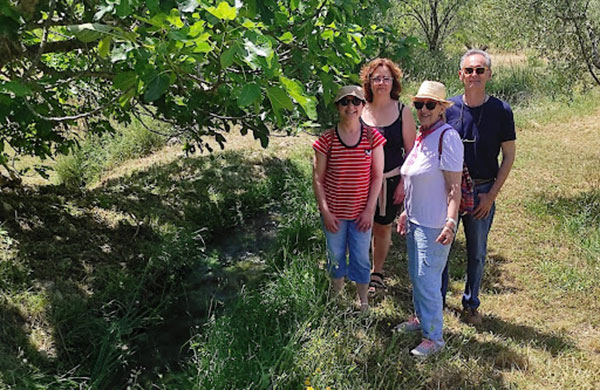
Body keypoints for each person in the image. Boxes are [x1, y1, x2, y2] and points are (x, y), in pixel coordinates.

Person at [441, 49, 517, 324]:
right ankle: (437, 301)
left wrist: (491, 195)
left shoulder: (501, 111)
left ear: (489, 74)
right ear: (460, 74)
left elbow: (508, 155)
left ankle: (471, 305)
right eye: (469, 70)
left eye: (480, 70)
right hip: (448, 191)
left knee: (477, 252)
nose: (474, 75)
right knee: (443, 248)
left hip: (482, 189)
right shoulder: (446, 108)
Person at [394, 81, 463, 357]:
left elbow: (453, 188)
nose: (423, 109)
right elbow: (416, 180)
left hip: (434, 222)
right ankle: (421, 319)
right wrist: (405, 212)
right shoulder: (424, 136)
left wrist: (450, 222)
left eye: (430, 105)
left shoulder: (448, 138)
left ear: (441, 109)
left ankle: (433, 338)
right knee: (417, 276)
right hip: (415, 220)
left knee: (428, 279)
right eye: (419, 104)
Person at [312, 85, 386, 313]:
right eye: (345, 102)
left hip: (361, 215)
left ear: (364, 106)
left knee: (361, 258)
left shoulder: (373, 138)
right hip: (334, 214)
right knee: (335, 257)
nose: (351, 107)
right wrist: (325, 212)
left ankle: (363, 302)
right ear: (337, 106)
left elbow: (377, 176)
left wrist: (369, 210)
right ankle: (337, 299)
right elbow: (318, 179)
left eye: (356, 102)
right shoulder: (326, 140)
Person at [359, 58, 416, 294]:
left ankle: (377, 272)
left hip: (390, 180)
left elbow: (412, 152)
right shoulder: (358, 108)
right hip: (359, 181)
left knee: (382, 227)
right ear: (369, 82)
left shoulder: (403, 112)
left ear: (394, 82)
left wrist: (403, 182)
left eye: (386, 78)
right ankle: (359, 271)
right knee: (359, 226)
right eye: (376, 78)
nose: (381, 83)